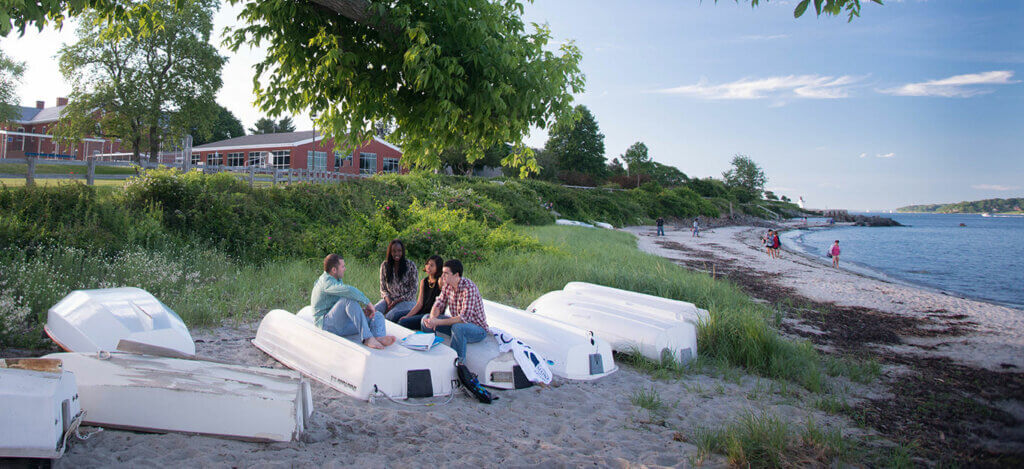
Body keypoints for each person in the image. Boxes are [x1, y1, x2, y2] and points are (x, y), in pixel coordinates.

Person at [311, 254, 396, 349]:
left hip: (340, 323)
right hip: (326, 324)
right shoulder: (326, 282)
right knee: (348, 299)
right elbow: (349, 291)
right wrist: (368, 303)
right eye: (342, 266)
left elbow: (340, 306)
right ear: (334, 270)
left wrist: (361, 311)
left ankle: (378, 337)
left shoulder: (337, 279)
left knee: (377, 315)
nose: (345, 269)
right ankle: (367, 338)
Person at [421, 259, 488, 363]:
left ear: (456, 275)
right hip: (458, 323)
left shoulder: (469, 288)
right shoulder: (447, 285)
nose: (442, 276)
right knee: (425, 319)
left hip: (477, 329)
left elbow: (463, 319)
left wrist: (438, 322)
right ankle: (430, 355)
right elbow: (439, 304)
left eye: (446, 273)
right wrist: (433, 318)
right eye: (442, 273)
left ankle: (457, 363)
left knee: (458, 328)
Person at [376, 239, 419, 323]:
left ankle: (384, 333)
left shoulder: (410, 265)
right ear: (390, 252)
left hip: (406, 301)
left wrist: (396, 302)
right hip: (390, 299)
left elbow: (413, 290)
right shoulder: (385, 265)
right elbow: (383, 288)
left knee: (390, 316)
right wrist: (388, 301)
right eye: (394, 251)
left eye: (399, 251)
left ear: (403, 252)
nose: (396, 254)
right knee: (374, 310)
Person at [397, 255, 444, 331]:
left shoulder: (440, 281)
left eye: (432, 265)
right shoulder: (424, 281)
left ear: (438, 268)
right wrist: (408, 315)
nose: (428, 267)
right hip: (421, 310)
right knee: (396, 316)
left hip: (430, 314)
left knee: (402, 322)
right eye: (428, 264)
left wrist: (407, 318)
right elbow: (419, 303)